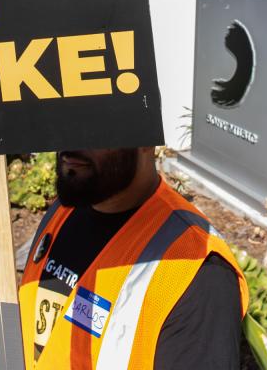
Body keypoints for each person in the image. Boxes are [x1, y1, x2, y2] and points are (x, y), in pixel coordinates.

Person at [18, 147, 249, 369]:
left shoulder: (198, 272)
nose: (71, 141)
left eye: (94, 123)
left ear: (146, 140)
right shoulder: (61, 213)